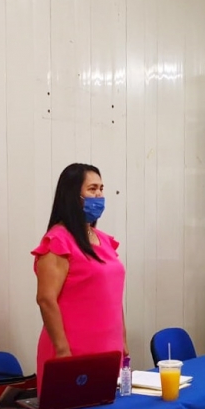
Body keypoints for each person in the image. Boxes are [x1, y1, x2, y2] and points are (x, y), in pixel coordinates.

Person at [33, 164, 127, 392]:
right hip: (73, 352)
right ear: (73, 196)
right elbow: (46, 299)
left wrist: (123, 341)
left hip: (109, 350)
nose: (99, 195)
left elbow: (113, 297)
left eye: (101, 189)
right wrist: (62, 351)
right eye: (92, 189)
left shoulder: (104, 240)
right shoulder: (58, 240)